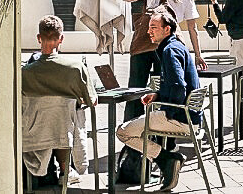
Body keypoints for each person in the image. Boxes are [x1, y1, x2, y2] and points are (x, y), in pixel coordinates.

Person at [115, 11, 202, 191]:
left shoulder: (170, 51)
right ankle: (167, 160)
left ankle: (167, 159)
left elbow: (178, 86)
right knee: (136, 128)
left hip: (179, 118)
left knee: (123, 132)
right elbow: (175, 84)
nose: (149, 32)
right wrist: (158, 95)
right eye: (148, 27)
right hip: (189, 116)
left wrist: (168, 111)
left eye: (153, 27)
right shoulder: (176, 46)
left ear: (167, 29)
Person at [122, 0, 206, 120]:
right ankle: (162, 128)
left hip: (144, 41)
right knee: (166, 86)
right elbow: (192, 28)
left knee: (136, 86)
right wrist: (197, 54)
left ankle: (131, 126)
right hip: (169, 43)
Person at [21, 16, 97, 186]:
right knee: (65, 119)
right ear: (61, 38)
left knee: (52, 120)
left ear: (39, 38)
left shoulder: (25, 73)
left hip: (33, 136)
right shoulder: (76, 69)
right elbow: (91, 101)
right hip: (63, 136)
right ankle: (65, 170)